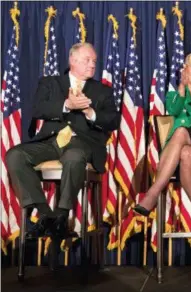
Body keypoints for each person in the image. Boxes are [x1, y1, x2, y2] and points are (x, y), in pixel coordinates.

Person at [6, 43, 120, 238]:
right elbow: (38, 109)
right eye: (87, 60)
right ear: (72, 61)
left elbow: (113, 120)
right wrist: (67, 104)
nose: (92, 65)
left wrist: (89, 111)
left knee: (74, 156)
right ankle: (45, 213)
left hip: (82, 143)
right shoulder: (50, 83)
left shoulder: (102, 90)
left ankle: (61, 214)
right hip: (51, 141)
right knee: (15, 155)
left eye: (94, 61)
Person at [133, 52, 191, 236]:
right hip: (183, 147)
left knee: (181, 131)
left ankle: (153, 193)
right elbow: (173, 109)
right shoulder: (174, 94)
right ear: (185, 69)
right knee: (185, 153)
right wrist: (182, 87)